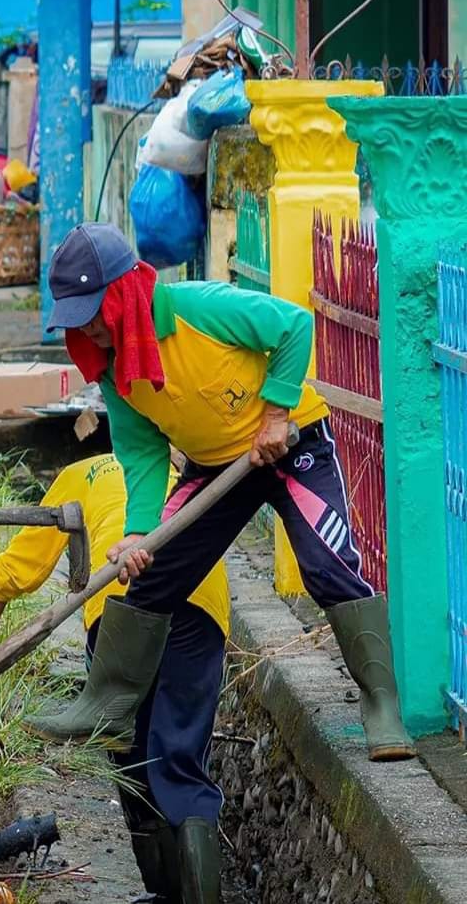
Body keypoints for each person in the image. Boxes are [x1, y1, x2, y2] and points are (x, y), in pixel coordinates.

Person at [27, 223, 415, 766]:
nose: (87, 328)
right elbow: (141, 455)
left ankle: (382, 705)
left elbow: (293, 325)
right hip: (217, 471)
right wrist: (139, 532)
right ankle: (107, 704)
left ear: (124, 294)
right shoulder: (116, 370)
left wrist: (277, 412)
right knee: (152, 573)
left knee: (329, 567)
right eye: (76, 317)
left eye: (94, 311)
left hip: (290, 446)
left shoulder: (198, 309)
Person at [0, 454, 230, 904]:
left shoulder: (80, 474)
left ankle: (167, 893)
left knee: (130, 754)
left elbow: (14, 573)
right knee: (181, 759)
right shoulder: (183, 471)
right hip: (199, 600)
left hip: (121, 601)